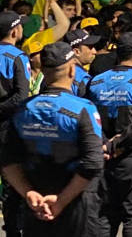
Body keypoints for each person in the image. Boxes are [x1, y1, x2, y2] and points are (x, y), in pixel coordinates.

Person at [0, 42, 103, 236]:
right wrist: (61, 201)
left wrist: (28, 192)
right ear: (72, 70)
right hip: (76, 204)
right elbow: (93, 162)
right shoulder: (83, 109)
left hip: (36, 204)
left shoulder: (23, 110)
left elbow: (8, 160)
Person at [88, 32, 132, 237]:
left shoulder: (96, 82)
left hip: (104, 158)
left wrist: (105, 145)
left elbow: (90, 118)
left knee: (105, 216)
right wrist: (116, 144)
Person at [0, 11, 31, 237]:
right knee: (12, 181)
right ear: (14, 31)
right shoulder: (18, 57)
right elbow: (22, 96)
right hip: (8, 126)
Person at [62, 29, 99, 97]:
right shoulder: (83, 79)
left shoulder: (57, 72)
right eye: (90, 47)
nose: (95, 51)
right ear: (76, 52)